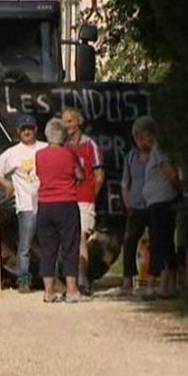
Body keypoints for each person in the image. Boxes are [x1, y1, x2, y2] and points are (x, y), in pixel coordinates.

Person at [0, 114, 47, 293]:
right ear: (18, 132)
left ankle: (50, 279)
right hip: (25, 205)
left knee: (49, 244)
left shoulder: (45, 148)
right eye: (23, 129)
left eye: (30, 128)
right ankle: (23, 280)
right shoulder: (13, 153)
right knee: (25, 246)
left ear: (36, 130)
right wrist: (6, 184)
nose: (27, 131)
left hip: (46, 203)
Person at [35, 118, 87, 303]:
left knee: (48, 248)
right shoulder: (69, 153)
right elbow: (80, 175)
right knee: (70, 247)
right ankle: (72, 290)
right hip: (66, 203)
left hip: (45, 205)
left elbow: (40, 174)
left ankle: (48, 291)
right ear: (64, 136)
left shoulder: (39, 155)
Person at [62, 106, 105, 294]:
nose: (66, 125)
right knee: (69, 241)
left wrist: (91, 196)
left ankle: (83, 281)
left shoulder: (90, 145)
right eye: (64, 121)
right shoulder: (63, 146)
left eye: (70, 121)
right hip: (67, 198)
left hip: (84, 199)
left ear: (78, 122)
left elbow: (99, 175)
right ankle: (73, 281)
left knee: (80, 239)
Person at [138, 116, 181, 300]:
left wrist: (180, 190)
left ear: (151, 133)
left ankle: (166, 286)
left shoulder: (160, 151)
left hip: (162, 203)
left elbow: (171, 175)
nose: (141, 139)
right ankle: (167, 285)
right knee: (160, 243)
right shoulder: (153, 153)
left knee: (163, 243)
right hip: (155, 203)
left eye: (143, 135)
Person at [118, 118, 152, 295]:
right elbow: (125, 183)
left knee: (157, 243)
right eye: (136, 136)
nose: (140, 139)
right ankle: (127, 280)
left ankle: (154, 278)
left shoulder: (157, 155)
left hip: (154, 204)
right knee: (129, 241)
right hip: (136, 206)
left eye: (142, 135)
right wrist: (128, 204)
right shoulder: (130, 157)